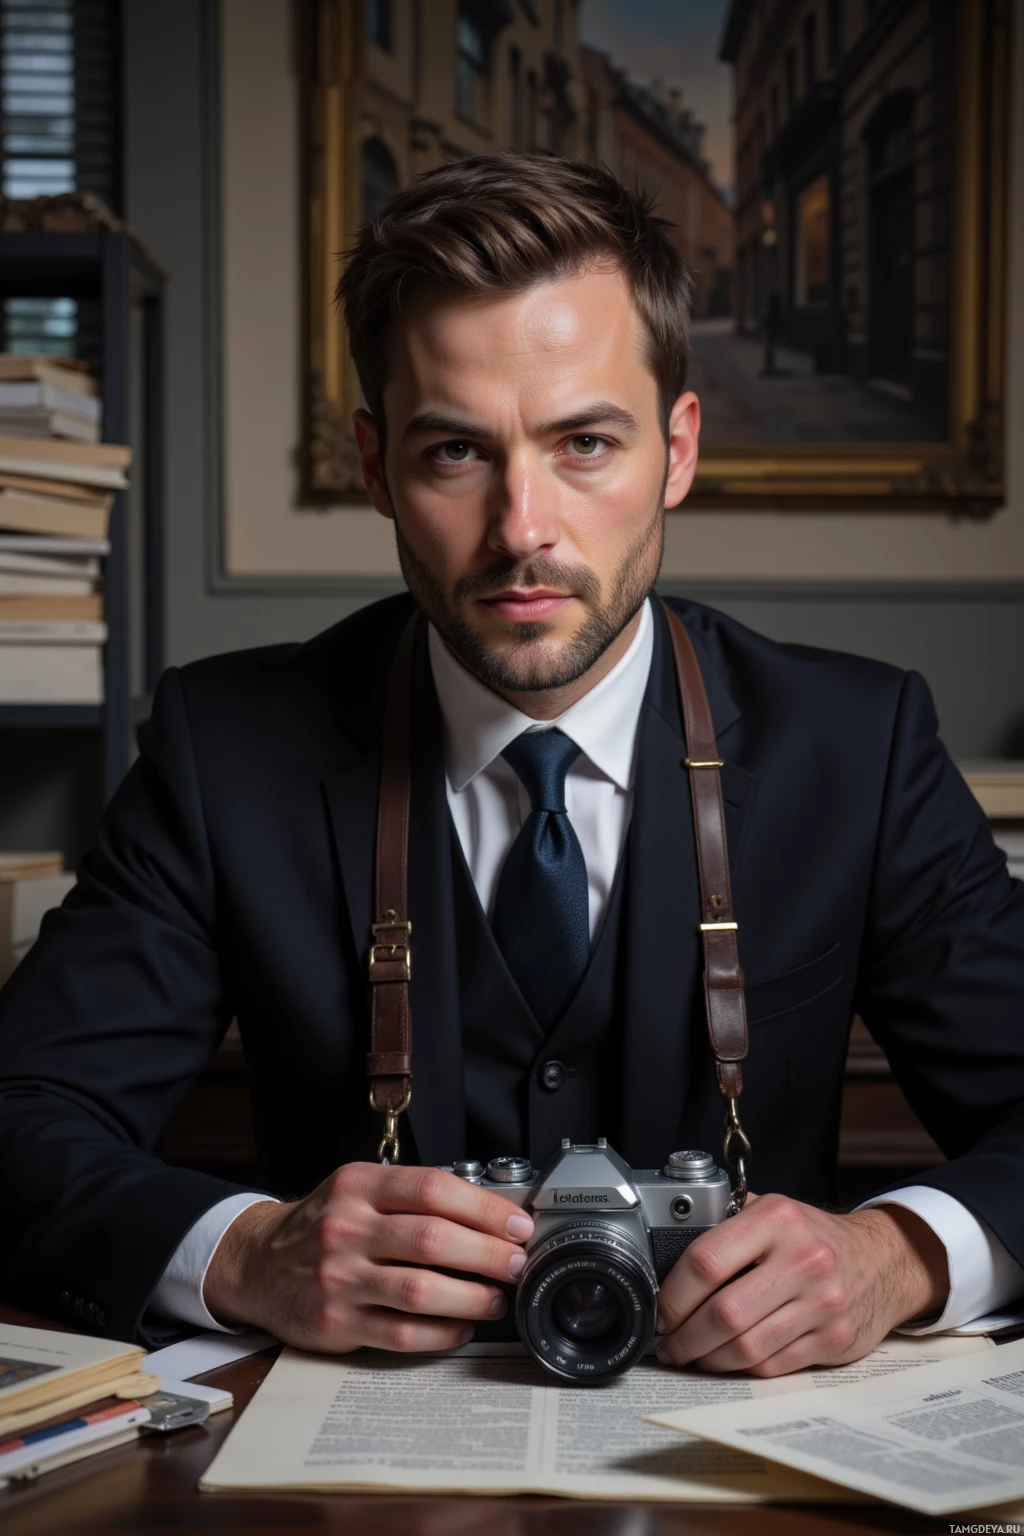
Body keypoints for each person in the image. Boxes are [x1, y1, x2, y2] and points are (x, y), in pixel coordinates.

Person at [1, 152, 1022, 1378]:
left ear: (677, 450)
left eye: (584, 442)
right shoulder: (226, 749)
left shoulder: (856, 748)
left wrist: (895, 1257)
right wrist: (248, 1252)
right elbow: (20, 1117)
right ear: (377, 468)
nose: (522, 528)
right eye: (454, 454)